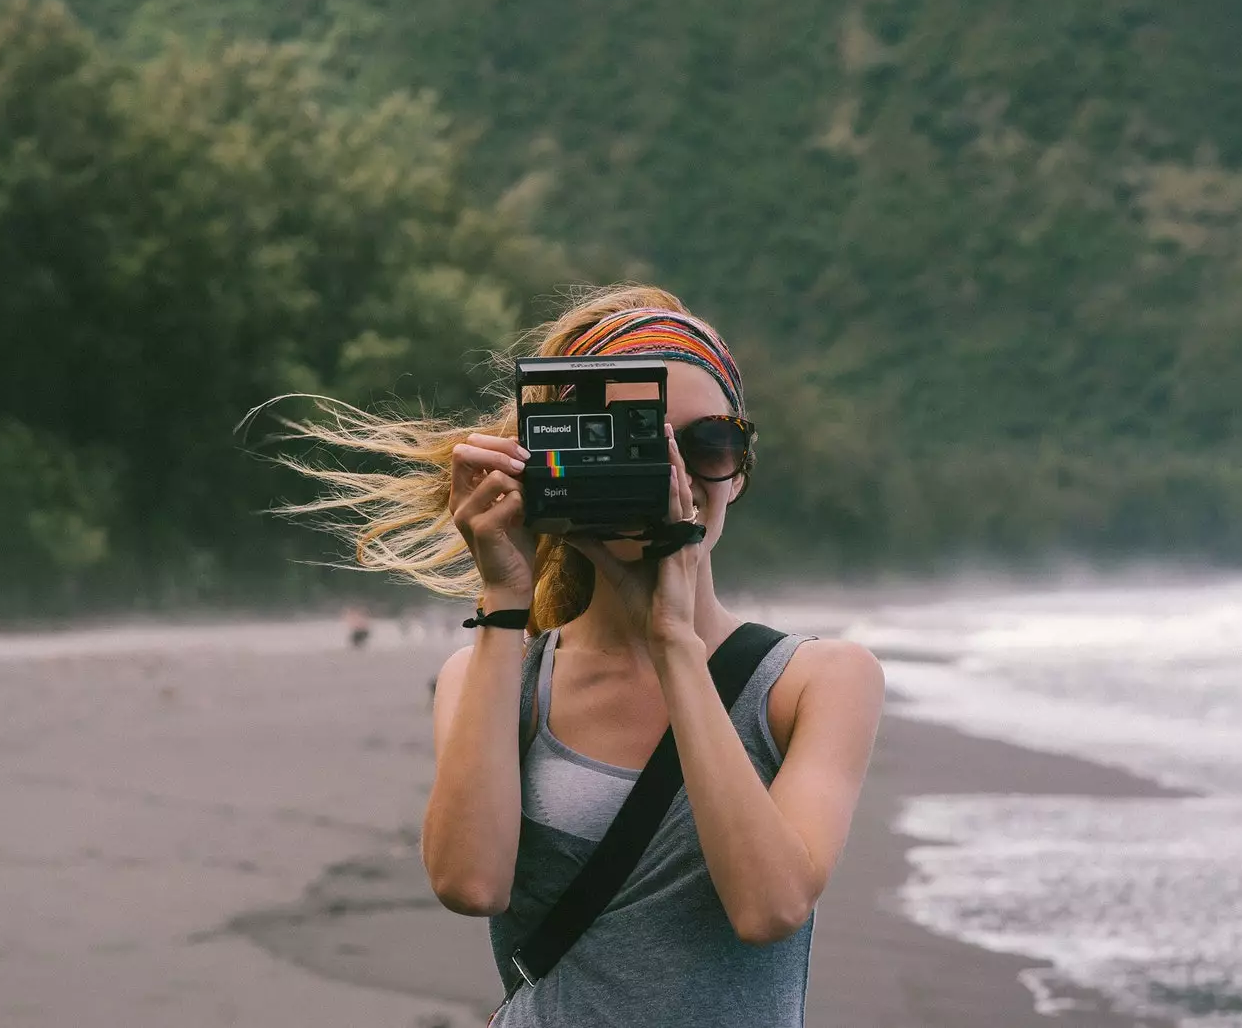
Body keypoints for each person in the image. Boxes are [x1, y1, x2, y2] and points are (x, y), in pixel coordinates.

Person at [291, 285, 885, 1026]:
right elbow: (470, 882)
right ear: (560, 458)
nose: (675, 478)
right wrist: (505, 594)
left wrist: (674, 643)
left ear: (741, 469)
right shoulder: (494, 680)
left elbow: (770, 906)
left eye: (707, 446)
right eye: (637, 442)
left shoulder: (818, 681)